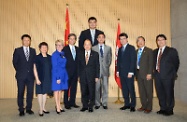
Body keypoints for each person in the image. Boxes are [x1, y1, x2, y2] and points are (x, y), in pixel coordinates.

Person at [153, 34, 180, 116]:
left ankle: (170, 109)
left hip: (168, 76)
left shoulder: (171, 51)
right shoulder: (154, 52)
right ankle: (163, 108)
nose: (160, 41)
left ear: (165, 41)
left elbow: (176, 63)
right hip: (157, 76)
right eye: (158, 40)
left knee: (169, 93)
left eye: (162, 40)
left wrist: (171, 74)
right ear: (157, 42)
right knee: (160, 93)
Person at [12, 34, 36, 116]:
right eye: (25, 40)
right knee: (20, 92)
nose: (26, 41)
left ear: (30, 41)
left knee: (30, 92)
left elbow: (33, 63)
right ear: (22, 41)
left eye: (28, 40)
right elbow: (15, 62)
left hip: (30, 76)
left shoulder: (33, 51)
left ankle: (29, 108)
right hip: (21, 76)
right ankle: (21, 109)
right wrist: (21, 71)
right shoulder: (17, 50)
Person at [78, 39, 100, 112]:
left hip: (92, 76)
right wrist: (78, 76)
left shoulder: (95, 54)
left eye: (88, 44)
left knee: (91, 91)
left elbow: (97, 66)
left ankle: (91, 106)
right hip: (82, 76)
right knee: (83, 91)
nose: (87, 46)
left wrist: (97, 76)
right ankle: (85, 105)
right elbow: (78, 66)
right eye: (85, 44)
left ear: (91, 45)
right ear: (84, 46)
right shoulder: (80, 53)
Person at [116, 33, 136, 112]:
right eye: (121, 39)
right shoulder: (120, 49)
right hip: (122, 73)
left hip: (129, 73)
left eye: (124, 38)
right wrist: (118, 70)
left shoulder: (131, 48)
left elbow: (133, 60)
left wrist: (131, 71)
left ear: (127, 39)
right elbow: (118, 61)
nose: (122, 40)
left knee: (131, 89)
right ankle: (126, 104)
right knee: (124, 89)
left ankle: (133, 105)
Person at [92, 33, 112, 110]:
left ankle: (104, 103)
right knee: (97, 88)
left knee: (105, 87)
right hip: (96, 72)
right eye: (99, 37)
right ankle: (97, 103)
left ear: (104, 39)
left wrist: (106, 65)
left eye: (102, 37)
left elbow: (109, 59)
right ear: (97, 39)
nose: (101, 39)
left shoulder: (108, 48)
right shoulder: (93, 48)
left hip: (105, 71)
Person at [135, 36, 153, 113]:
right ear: (137, 43)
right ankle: (144, 105)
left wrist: (149, 73)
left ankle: (149, 107)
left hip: (146, 74)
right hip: (138, 74)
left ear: (144, 41)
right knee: (141, 91)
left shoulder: (149, 51)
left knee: (148, 91)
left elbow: (151, 63)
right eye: (138, 41)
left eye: (141, 40)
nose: (140, 42)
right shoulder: (136, 51)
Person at [33, 42, 52, 116]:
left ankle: (44, 107)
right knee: (40, 93)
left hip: (47, 77)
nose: (44, 49)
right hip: (40, 78)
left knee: (45, 93)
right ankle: (40, 109)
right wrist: (37, 79)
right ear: (40, 49)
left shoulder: (50, 57)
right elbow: (34, 68)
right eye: (43, 47)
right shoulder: (37, 57)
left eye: (45, 47)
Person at [63, 33, 80, 109]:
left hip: (75, 72)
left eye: (74, 39)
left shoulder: (78, 49)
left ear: (75, 40)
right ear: (68, 40)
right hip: (67, 72)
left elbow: (79, 62)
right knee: (66, 88)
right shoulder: (64, 49)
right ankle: (66, 103)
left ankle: (72, 102)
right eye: (71, 38)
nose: (72, 40)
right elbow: (62, 62)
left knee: (74, 88)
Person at [51, 40, 68, 114]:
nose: (59, 46)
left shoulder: (63, 54)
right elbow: (55, 67)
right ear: (55, 46)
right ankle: (57, 106)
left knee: (60, 90)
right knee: (56, 90)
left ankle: (59, 105)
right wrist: (57, 78)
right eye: (57, 45)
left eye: (61, 45)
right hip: (57, 74)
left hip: (63, 73)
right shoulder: (54, 54)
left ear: (63, 46)